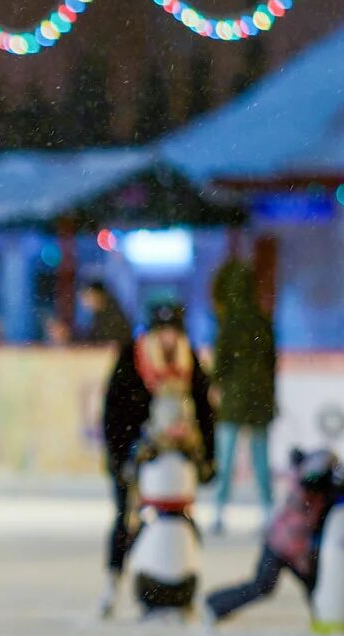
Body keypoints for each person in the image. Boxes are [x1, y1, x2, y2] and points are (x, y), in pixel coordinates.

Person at [98, 301, 215, 617]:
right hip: (135, 452)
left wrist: (208, 458)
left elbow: (205, 410)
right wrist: (120, 457)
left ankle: (183, 580)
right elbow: (113, 412)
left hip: (175, 459)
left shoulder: (188, 359)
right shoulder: (132, 357)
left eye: (172, 332)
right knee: (127, 518)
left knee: (182, 517)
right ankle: (114, 583)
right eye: (161, 331)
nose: (167, 338)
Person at [205, 448, 344, 627]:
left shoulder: (319, 489)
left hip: (294, 550)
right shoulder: (308, 485)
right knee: (263, 587)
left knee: (313, 586)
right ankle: (214, 605)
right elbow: (308, 487)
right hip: (279, 546)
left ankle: (328, 618)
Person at [209, 262, 277, 535]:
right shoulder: (262, 320)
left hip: (235, 397)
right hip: (259, 394)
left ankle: (220, 510)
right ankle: (267, 509)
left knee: (226, 456)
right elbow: (272, 362)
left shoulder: (229, 323)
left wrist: (217, 383)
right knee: (260, 456)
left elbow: (221, 360)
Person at [79, 280, 132, 346]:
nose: (84, 302)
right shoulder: (102, 312)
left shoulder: (110, 315)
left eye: (87, 296)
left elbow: (99, 340)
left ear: (97, 295)